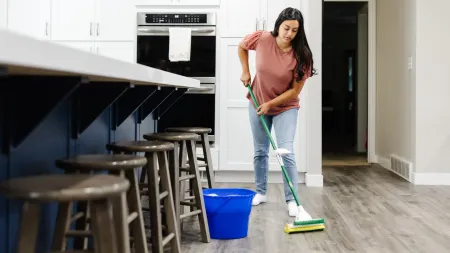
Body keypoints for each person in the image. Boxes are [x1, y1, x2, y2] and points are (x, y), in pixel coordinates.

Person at [237, 7, 316, 217]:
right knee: (260, 151)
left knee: (285, 151)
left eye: (294, 30)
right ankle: (261, 192)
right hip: (257, 103)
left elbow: (294, 91)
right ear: (278, 24)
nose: (289, 34)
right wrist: (245, 70)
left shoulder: (302, 56)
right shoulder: (262, 39)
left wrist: (271, 105)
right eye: (286, 28)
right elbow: (242, 46)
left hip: (284, 108)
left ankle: (292, 201)